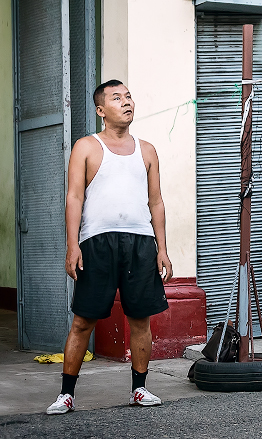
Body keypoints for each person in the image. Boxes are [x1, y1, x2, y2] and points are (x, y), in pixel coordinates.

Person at [48, 81, 173, 414]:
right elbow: (74, 197)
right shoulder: (86, 147)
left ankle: (139, 389)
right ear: (101, 110)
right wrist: (72, 245)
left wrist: (162, 248)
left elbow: (156, 201)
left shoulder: (147, 150)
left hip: (140, 242)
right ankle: (66, 394)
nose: (126, 101)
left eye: (128, 96)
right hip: (97, 243)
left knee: (140, 320)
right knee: (83, 321)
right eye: (117, 98)